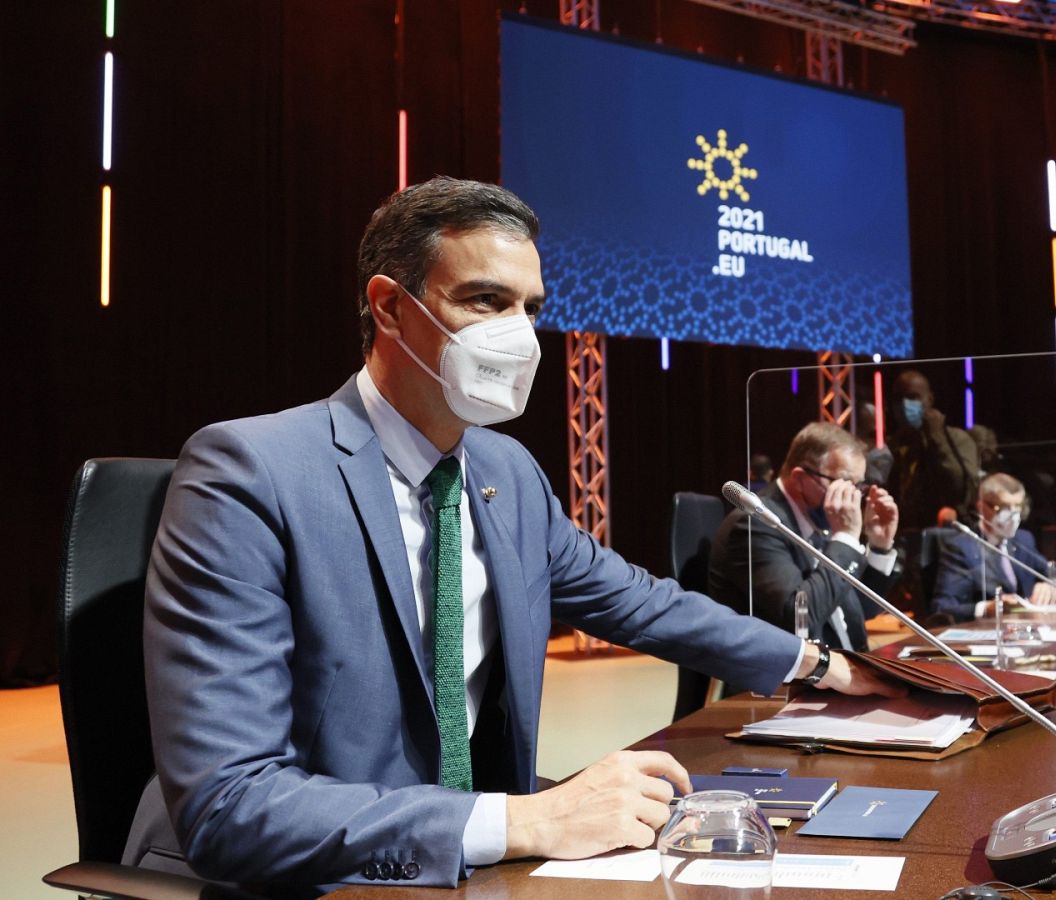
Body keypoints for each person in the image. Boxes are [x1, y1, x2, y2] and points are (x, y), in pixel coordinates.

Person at [123, 177, 903, 892]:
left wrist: (824, 666)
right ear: (391, 308)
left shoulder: (507, 473)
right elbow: (231, 806)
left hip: (471, 861)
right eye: (484, 302)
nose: (520, 336)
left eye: (530, 307)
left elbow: (646, 604)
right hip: (304, 877)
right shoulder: (248, 472)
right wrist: (526, 820)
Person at [706, 421, 901, 652]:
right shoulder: (755, 525)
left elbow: (856, 609)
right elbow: (799, 619)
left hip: (844, 666)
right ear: (800, 478)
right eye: (844, 483)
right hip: (785, 679)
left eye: (859, 485)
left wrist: (879, 546)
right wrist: (847, 538)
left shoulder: (818, 520)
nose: (853, 496)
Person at [929, 473, 1056, 622]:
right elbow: (941, 607)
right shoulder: (962, 547)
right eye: (1003, 508)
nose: (1013, 516)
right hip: (985, 633)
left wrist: (1052, 585)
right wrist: (986, 608)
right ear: (981, 507)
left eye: (1018, 507)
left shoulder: (1023, 539)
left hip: (1028, 630)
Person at [886, 370, 980, 529]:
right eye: (898, 398)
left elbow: (960, 490)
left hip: (943, 534)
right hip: (906, 534)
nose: (904, 404)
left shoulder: (955, 439)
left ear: (929, 399)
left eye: (912, 397)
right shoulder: (896, 444)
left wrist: (936, 438)